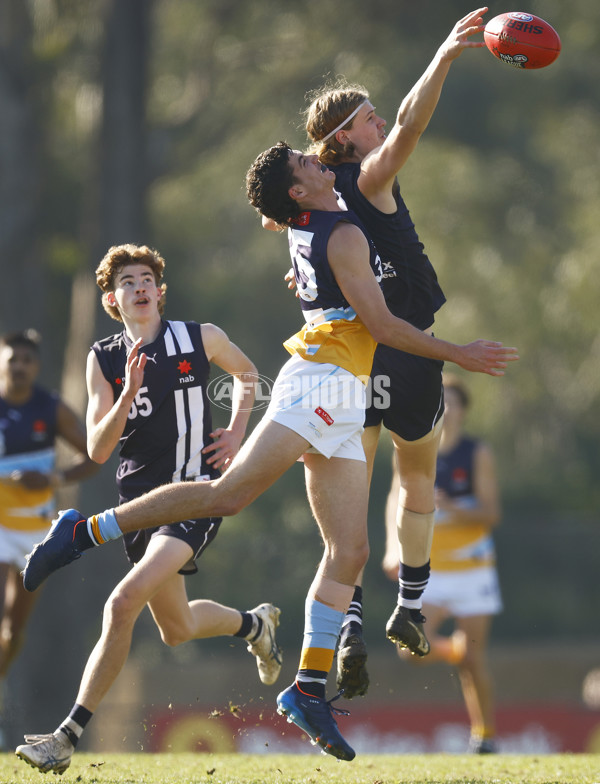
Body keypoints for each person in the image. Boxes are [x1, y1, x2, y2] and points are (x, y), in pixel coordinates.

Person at [20, 146, 517, 762]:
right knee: (229, 494)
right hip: (319, 382)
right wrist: (460, 352)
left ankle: (308, 689)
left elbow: (280, 214)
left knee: (351, 550)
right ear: (302, 194)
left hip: (345, 388)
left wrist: (290, 205)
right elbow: (386, 328)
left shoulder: (307, 219)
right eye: (307, 164)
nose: (317, 162)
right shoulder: (339, 235)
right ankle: (83, 529)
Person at [16, 244, 282, 775]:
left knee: (121, 603)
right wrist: (126, 393)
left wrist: (235, 432)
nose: (138, 287)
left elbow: (250, 374)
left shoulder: (198, 336)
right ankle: (254, 626)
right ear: (113, 300)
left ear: (160, 291)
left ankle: (66, 736)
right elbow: (95, 449)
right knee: (177, 628)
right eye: (127, 282)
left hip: (196, 494)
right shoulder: (103, 358)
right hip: (138, 507)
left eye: (146, 279)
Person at [301, 7, 490, 698]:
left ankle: (348, 626)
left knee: (349, 511)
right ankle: (409, 606)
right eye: (368, 116)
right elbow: (413, 122)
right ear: (344, 137)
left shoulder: (307, 208)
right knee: (417, 481)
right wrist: (442, 54)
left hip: (346, 363)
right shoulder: (369, 177)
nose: (380, 121)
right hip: (407, 352)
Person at [383, 374, 502, 754]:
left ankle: (484, 738)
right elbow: (393, 499)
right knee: (409, 648)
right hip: (430, 570)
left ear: (465, 411)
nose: (446, 409)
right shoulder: (413, 446)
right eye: (441, 401)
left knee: (475, 663)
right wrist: (392, 548)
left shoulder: (476, 453)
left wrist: (451, 507)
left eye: (453, 402)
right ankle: (456, 649)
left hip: (473, 570)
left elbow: (491, 512)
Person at [0, 329, 97, 748]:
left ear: (35, 366)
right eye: (11, 358)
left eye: (26, 359)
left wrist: (52, 478)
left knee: (12, 628)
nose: (18, 365)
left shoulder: (50, 407)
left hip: (34, 536)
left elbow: (94, 455)